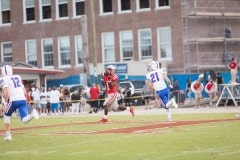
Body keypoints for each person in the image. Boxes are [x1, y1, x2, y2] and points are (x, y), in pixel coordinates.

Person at [0, 65, 39, 141]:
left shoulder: (2, 79)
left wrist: (4, 104)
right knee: (24, 119)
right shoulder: (17, 77)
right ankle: (32, 115)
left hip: (13, 100)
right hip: (22, 99)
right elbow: (24, 92)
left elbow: (6, 91)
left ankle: (8, 135)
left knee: (6, 115)